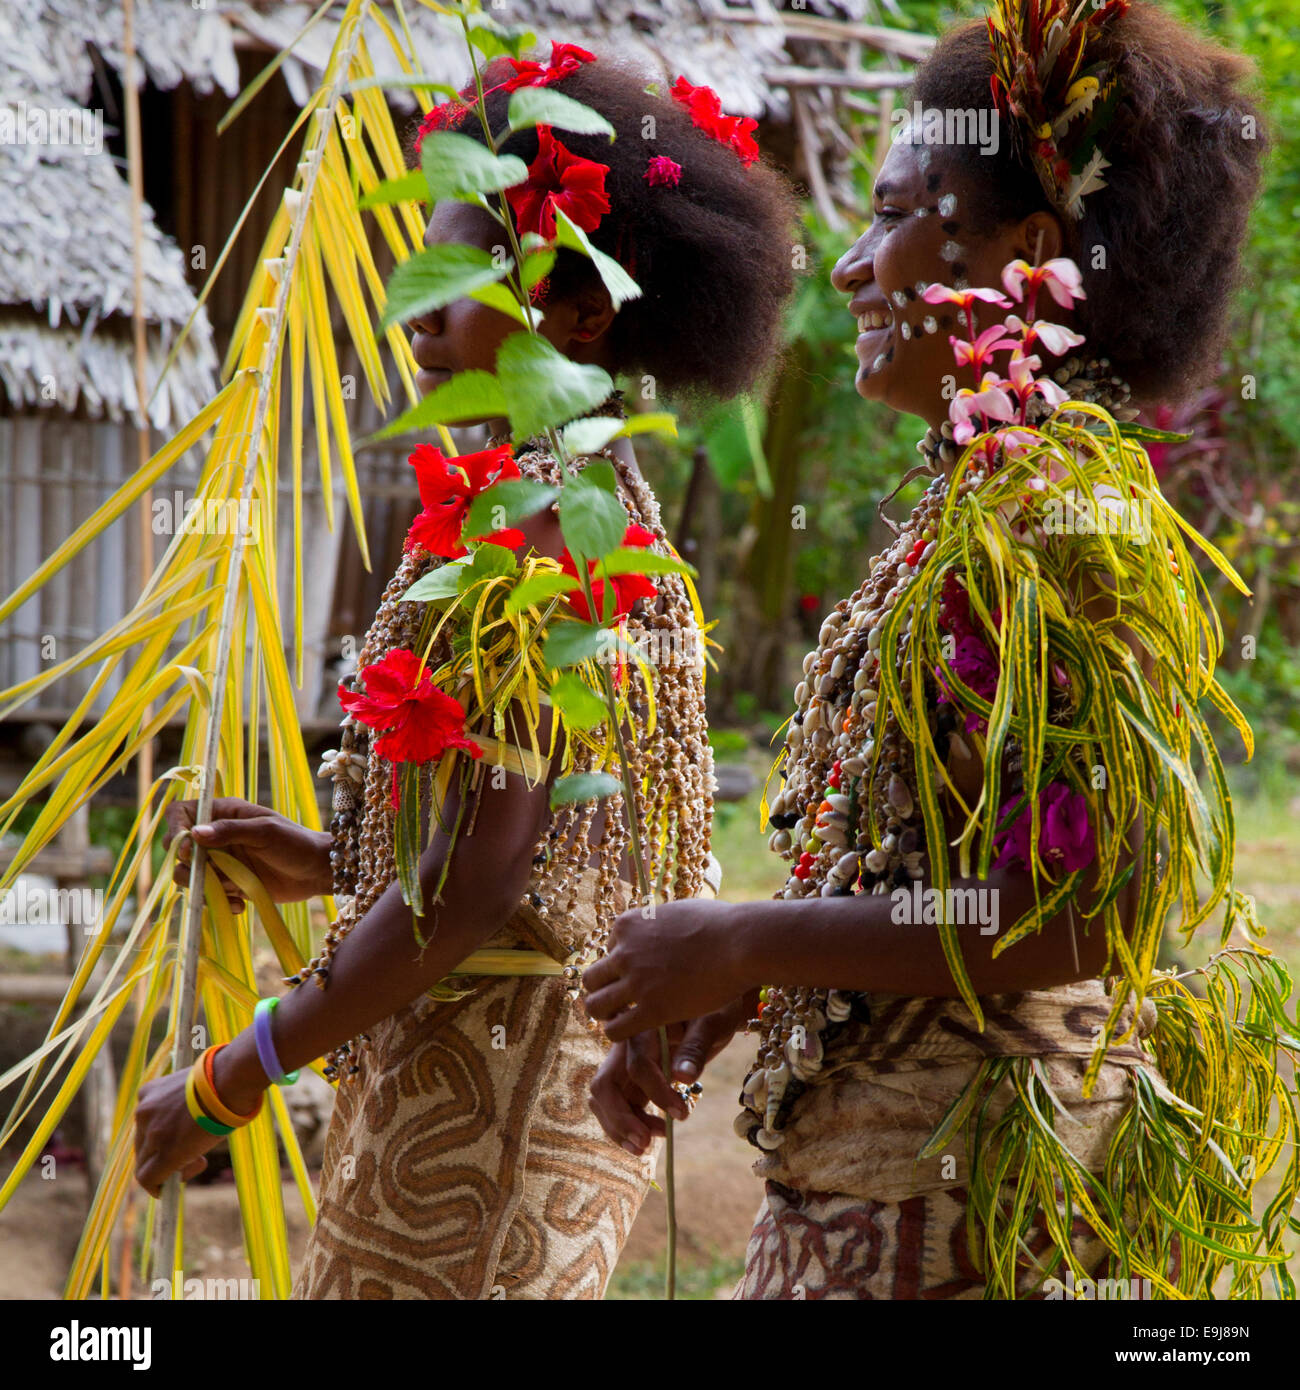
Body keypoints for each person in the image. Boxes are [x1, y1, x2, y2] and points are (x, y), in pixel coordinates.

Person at [585, 0, 1300, 1299]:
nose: (849, 266)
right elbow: (937, 867)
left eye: (890, 213)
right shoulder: (984, 508)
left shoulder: (1059, 524)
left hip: (969, 1222)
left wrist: (749, 936)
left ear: (1026, 248)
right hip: (897, 1202)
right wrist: (748, 975)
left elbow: (1087, 907)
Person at [132, 47, 798, 1300]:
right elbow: (537, 848)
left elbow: (481, 885)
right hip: (517, 1084)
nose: (420, 312)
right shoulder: (589, 497)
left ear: (585, 315)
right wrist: (334, 857)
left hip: (486, 1098)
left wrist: (232, 1076)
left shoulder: (539, 526)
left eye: (467, 273)